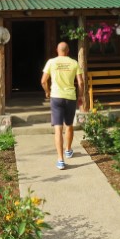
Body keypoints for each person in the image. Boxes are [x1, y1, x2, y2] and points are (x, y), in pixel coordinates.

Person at [41, 42, 84, 170]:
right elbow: (80, 82)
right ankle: (68, 150)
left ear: (57, 50)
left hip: (56, 97)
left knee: (58, 129)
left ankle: (60, 160)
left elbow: (43, 81)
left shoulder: (51, 62)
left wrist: (47, 92)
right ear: (68, 50)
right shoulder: (74, 63)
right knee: (69, 125)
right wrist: (80, 96)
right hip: (70, 97)